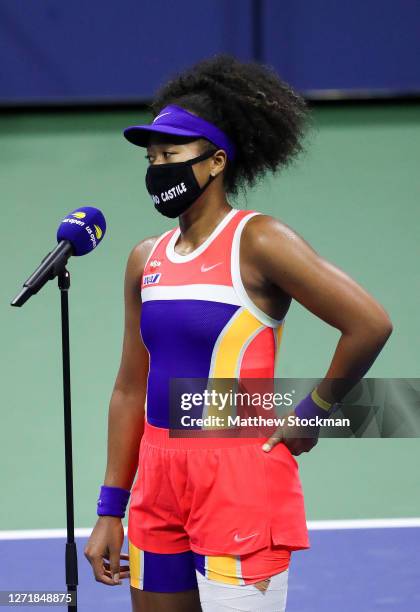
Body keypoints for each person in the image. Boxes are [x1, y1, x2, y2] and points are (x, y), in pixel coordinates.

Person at [84, 54, 393, 611]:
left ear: (215, 161)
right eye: (151, 157)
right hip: (157, 480)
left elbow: (368, 323)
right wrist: (111, 507)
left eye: (171, 154)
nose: (157, 167)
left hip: (238, 476)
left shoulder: (259, 241)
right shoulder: (144, 259)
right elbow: (131, 387)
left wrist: (316, 410)